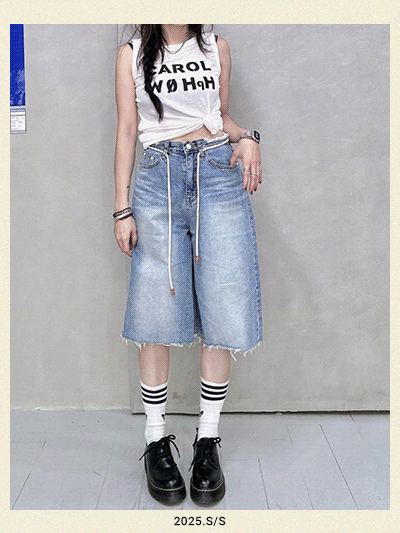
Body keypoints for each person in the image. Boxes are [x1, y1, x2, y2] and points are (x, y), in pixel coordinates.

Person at [113, 24, 263, 507]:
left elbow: (220, 116)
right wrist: (121, 208)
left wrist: (248, 138)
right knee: (156, 308)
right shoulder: (131, 53)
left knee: (222, 302)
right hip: (157, 178)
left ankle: (207, 441)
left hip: (217, 174)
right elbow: (127, 130)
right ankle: (156, 441)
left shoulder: (216, 47)